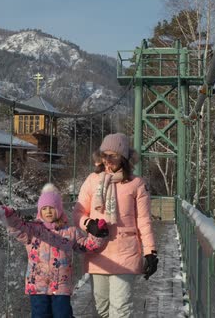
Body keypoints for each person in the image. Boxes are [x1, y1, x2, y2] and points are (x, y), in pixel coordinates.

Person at [73, 133, 158, 318]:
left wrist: (150, 252)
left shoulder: (137, 184)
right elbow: (78, 213)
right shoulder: (92, 181)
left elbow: (144, 220)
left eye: (113, 156)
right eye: (104, 155)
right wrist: (88, 224)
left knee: (120, 310)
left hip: (125, 251)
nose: (108, 160)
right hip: (98, 251)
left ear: (124, 158)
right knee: (101, 309)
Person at [1, 183, 109, 318]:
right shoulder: (33, 230)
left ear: (59, 210)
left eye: (52, 208)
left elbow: (86, 246)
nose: (48, 211)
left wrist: (97, 234)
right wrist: (9, 216)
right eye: (44, 208)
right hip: (38, 284)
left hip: (61, 284)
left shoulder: (70, 232)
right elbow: (17, 228)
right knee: (40, 315)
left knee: (63, 314)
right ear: (40, 211)